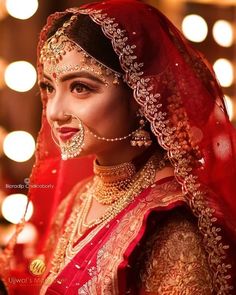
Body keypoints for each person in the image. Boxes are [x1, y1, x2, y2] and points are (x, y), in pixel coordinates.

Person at [1, 0, 236, 294]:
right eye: (49, 87)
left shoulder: (171, 226)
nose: (54, 111)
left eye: (80, 88)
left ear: (140, 95)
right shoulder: (79, 197)